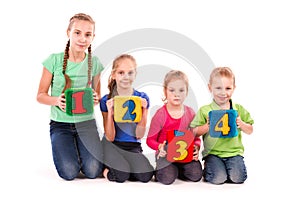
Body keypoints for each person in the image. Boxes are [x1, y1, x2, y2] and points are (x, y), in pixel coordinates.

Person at [36, 13, 104, 180]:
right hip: (61, 125)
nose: (82, 38)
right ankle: (72, 152)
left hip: (86, 124)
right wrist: (56, 101)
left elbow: (98, 94)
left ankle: (83, 153)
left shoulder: (94, 63)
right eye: (77, 32)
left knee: (93, 171)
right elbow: (40, 95)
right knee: (69, 173)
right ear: (68, 32)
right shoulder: (54, 60)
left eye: (88, 34)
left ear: (93, 37)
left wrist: (96, 98)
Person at [190, 67, 254, 185]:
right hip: (213, 154)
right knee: (218, 179)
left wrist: (241, 124)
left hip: (234, 153)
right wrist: (207, 126)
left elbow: (250, 129)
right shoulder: (205, 110)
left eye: (228, 88)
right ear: (210, 88)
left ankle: (226, 170)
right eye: (218, 88)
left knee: (238, 178)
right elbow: (194, 132)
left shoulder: (238, 109)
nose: (223, 93)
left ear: (234, 88)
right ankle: (212, 170)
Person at [100, 54, 154, 183]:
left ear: (135, 74)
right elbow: (110, 137)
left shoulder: (141, 98)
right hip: (112, 145)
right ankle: (104, 169)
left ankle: (125, 166)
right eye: (121, 73)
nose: (126, 77)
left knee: (146, 176)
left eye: (130, 73)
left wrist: (144, 110)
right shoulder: (106, 100)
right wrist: (110, 113)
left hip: (132, 146)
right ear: (114, 75)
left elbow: (139, 135)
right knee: (120, 176)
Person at [146, 70, 203, 185]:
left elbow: (195, 136)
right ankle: (162, 171)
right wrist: (160, 147)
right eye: (172, 90)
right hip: (166, 156)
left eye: (181, 90)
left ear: (186, 92)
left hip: (185, 154)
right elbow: (150, 140)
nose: (177, 94)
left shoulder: (190, 113)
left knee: (196, 175)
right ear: (165, 91)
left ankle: (179, 170)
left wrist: (196, 147)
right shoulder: (160, 114)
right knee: (167, 178)